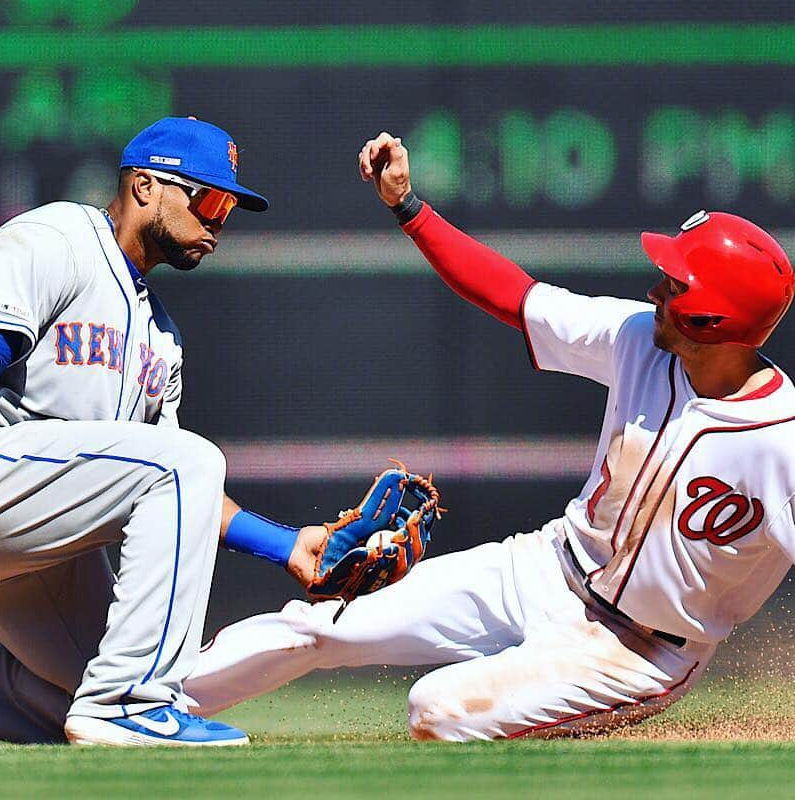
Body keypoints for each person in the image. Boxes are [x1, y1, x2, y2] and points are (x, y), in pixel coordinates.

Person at [184, 131, 795, 741]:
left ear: (712, 318)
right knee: (325, 625)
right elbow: (514, 296)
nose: (655, 290)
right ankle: (147, 704)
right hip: (548, 567)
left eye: (675, 285)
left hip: (638, 652)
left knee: (437, 709)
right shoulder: (638, 337)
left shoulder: (781, 442)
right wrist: (408, 208)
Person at [0, 117, 323, 747]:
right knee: (185, 466)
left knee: (78, 698)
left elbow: (180, 489)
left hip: (45, 536)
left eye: (230, 206)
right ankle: (130, 704)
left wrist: (287, 545)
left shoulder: (162, 338)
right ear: (145, 187)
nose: (220, 221)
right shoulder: (57, 238)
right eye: (210, 198)